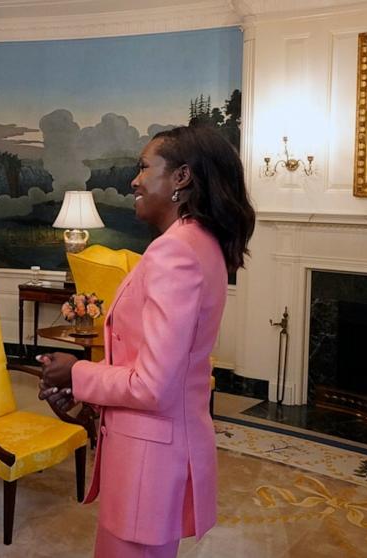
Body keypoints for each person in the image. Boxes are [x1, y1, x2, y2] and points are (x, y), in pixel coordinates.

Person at [37, 125, 256, 557]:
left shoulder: (173, 251)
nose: (134, 180)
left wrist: (76, 372)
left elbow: (152, 384)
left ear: (181, 178)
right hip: (156, 451)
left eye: (143, 168)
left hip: (149, 464)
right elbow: (156, 364)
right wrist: (87, 393)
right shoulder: (201, 242)